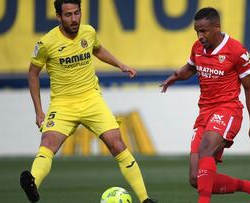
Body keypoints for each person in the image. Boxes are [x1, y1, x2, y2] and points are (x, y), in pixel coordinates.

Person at [19, 0, 157, 203]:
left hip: (91, 99)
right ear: (58, 17)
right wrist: (39, 112)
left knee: (117, 144)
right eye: (68, 15)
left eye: (76, 13)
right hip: (63, 103)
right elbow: (32, 75)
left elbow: (98, 49)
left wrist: (120, 64)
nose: (74, 19)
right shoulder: (46, 43)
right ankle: (33, 186)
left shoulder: (88, 32)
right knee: (48, 143)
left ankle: (145, 199)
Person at [160, 7, 250, 203]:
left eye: (204, 31)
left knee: (205, 152)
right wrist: (176, 76)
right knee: (196, 178)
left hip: (228, 110)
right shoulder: (197, 48)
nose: (200, 36)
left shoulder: (236, 51)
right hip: (204, 113)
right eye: (197, 31)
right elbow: (191, 67)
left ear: (217, 27)